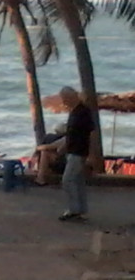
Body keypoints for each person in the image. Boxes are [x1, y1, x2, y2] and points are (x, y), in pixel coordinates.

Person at [58, 86, 95, 221]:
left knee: (68, 180)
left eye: (64, 98)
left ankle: (74, 210)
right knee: (78, 181)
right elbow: (71, 133)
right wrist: (63, 146)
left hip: (79, 151)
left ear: (71, 97)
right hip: (73, 150)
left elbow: (90, 133)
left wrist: (91, 154)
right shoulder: (74, 111)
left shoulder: (83, 112)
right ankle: (80, 210)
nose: (63, 101)